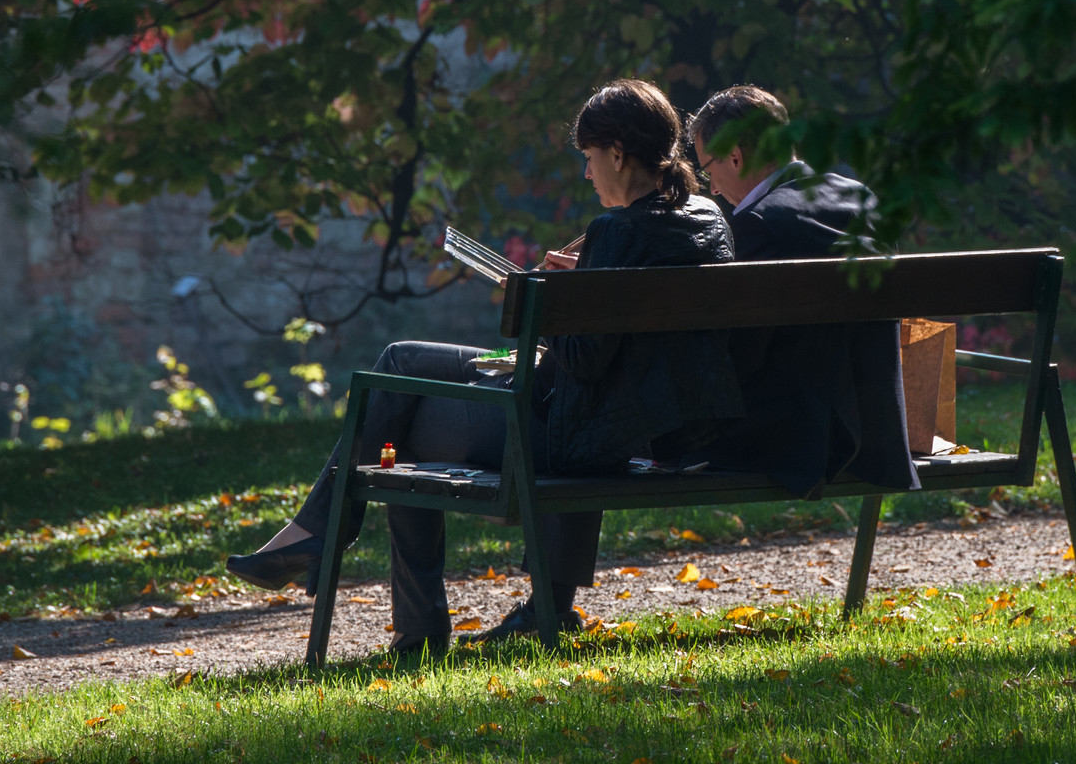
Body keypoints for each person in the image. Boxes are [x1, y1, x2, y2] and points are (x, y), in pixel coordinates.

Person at [226, 79, 740, 654]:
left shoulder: (616, 231)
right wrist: (579, 289)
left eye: (590, 158)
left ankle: (380, 596)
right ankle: (328, 543)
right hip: (657, 427)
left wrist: (548, 300)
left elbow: (584, 362)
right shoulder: (705, 216)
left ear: (618, 153)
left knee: (399, 416)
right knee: (402, 360)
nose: (587, 174)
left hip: (581, 433)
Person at [688, 84, 916, 499]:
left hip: (803, 444)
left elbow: (739, 352)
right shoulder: (861, 198)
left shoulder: (757, 224)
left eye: (707, 169)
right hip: (879, 434)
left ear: (735, 156)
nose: (712, 188)